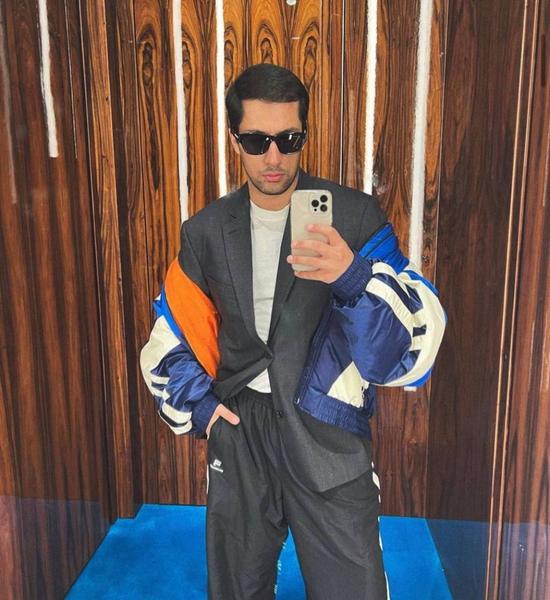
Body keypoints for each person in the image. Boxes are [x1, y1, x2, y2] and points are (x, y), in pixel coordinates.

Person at [140, 63, 446, 600]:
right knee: (236, 588)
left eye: (289, 139)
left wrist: (352, 276)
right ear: (235, 139)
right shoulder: (205, 232)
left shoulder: (354, 217)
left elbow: (403, 346)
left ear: (305, 134)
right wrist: (204, 409)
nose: (274, 157)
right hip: (242, 432)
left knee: (353, 589)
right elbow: (173, 335)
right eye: (257, 141)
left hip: (326, 428)